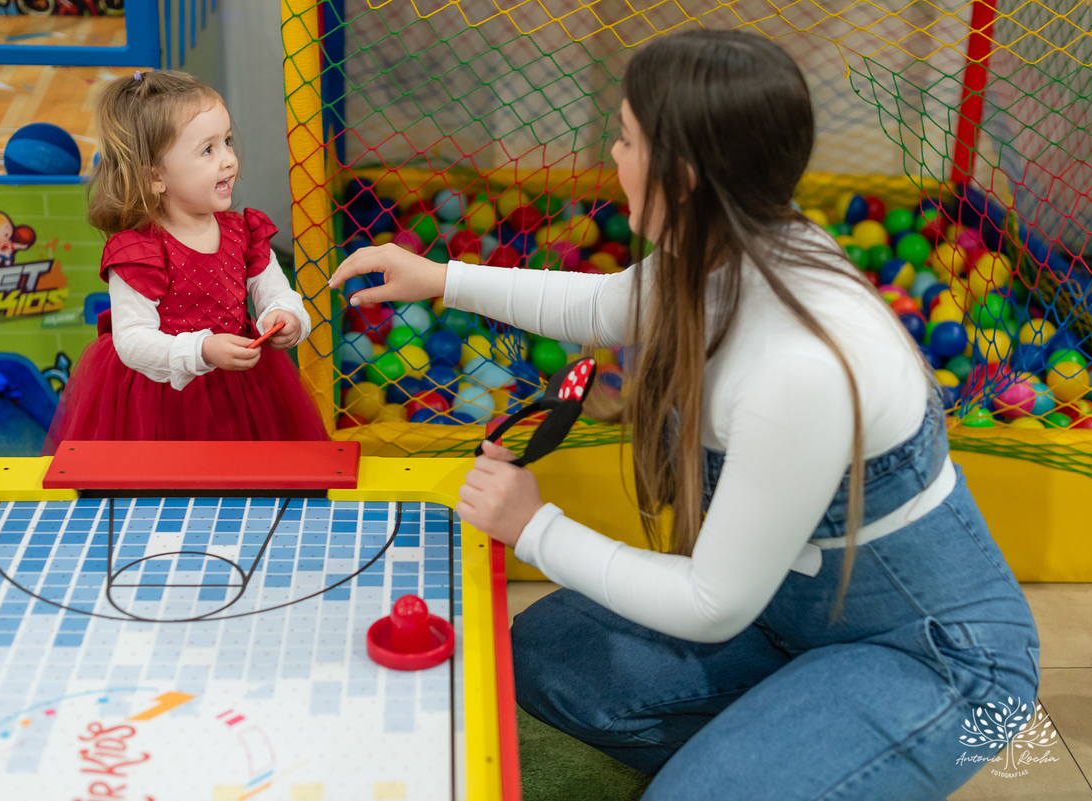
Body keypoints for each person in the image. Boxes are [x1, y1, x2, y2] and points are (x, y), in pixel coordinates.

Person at [331, 29, 1041, 801]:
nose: (613, 152)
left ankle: (840, 751)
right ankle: (799, 734)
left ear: (685, 175)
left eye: (628, 138)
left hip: (945, 664)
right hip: (788, 622)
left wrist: (535, 528)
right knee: (544, 652)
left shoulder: (797, 366)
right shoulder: (729, 243)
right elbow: (607, 304)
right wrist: (440, 277)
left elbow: (711, 603)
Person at [43, 70, 328, 452]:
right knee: (167, 492)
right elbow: (132, 340)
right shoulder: (139, 253)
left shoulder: (243, 233)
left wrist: (285, 315)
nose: (228, 160)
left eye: (227, 142)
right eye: (208, 150)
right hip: (162, 399)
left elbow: (275, 290)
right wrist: (202, 351)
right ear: (156, 176)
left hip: (243, 388)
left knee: (253, 483)